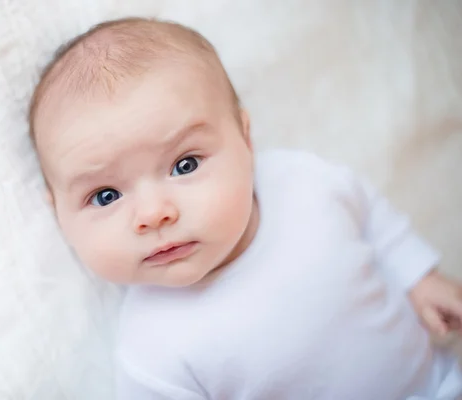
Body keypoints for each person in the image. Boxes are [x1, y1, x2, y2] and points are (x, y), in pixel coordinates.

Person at [28, 17, 462, 399]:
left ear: (245, 138)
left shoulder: (301, 182)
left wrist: (419, 275)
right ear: (59, 213)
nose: (153, 213)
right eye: (105, 195)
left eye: (185, 164)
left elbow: (367, 213)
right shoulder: (152, 352)